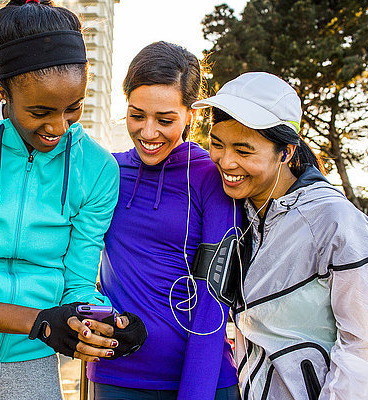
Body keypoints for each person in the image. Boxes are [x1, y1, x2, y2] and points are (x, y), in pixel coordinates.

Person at [0, 1, 144, 398]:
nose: (57, 128)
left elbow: (76, 286)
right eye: (40, 111)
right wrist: (38, 321)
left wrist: (107, 321)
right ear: (2, 89)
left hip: (33, 355)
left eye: (73, 109)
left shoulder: (98, 169)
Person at [192, 71, 368, 399]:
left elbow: (366, 355)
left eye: (243, 151)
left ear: (286, 152)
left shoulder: (337, 223)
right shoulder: (238, 210)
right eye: (217, 144)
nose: (225, 161)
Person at [88, 41, 240, 400]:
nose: (148, 132)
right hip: (115, 375)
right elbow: (75, 261)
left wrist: (196, 393)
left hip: (201, 381)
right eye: (137, 116)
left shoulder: (212, 176)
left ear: (192, 115)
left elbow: (214, 298)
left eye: (165, 120)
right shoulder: (107, 170)